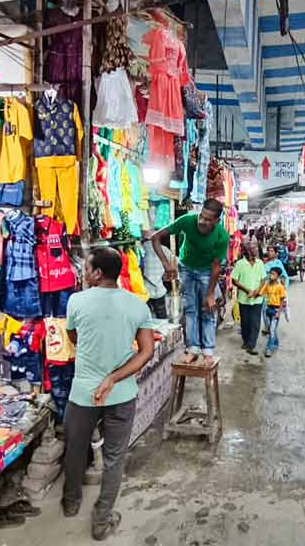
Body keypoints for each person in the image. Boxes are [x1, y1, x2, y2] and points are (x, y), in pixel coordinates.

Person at [62, 248, 156, 540]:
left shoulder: (76, 300)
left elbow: (74, 336)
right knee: (115, 458)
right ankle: (102, 519)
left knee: (75, 448)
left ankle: (71, 502)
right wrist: (114, 376)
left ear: (97, 273)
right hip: (121, 393)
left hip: (83, 393)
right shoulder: (137, 305)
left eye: (87, 268)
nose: (84, 273)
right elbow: (147, 351)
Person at [151, 199, 229, 366]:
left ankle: (208, 351)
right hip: (186, 268)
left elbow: (216, 267)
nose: (202, 221)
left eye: (208, 220)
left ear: (217, 221)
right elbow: (155, 238)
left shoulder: (222, 236)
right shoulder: (187, 220)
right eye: (202, 216)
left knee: (208, 310)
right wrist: (166, 265)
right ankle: (192, 349)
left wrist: (210, 294)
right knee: (190, 309)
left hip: (207, 271)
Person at [231, 241, 267, 355]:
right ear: (247, 251)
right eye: (253, 248)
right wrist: (247, 290)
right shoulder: (240, 264)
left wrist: (257, 291)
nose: (256, 250)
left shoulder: (260, 263)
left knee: (255, 322)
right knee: (245, 323)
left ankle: (251, 345)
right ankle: (246, 341)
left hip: (257, 298)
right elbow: (234, 280)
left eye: (256, 248)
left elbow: (263, 279)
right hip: (244, 298)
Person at [259, 268, 287, 358]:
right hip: (268, 309)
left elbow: (282, 301)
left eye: (273, 274)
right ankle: (275, 343)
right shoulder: (268, 284)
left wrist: (279, 312)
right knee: (272, 329)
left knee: (271, 330)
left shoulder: (280, 287)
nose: (271, 275)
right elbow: (261, 293)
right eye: (270, 273)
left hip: (276, 310)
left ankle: (269, 349)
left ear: (278, 276)